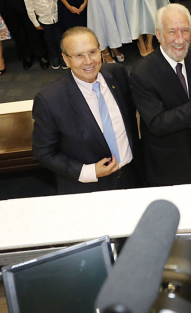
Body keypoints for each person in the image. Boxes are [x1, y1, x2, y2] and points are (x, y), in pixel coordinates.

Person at [32, 26, 139, 194]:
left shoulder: (118, 74)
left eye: (92, 52)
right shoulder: (50, 100)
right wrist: (88, 172)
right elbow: (43, 154)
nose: (88, 61)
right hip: (88, 189)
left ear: (100, 51)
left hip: (132, 178)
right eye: (79, 55)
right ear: (66, 60)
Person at [131, 4, 191, 186]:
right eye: (172, 32)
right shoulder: (142, 73)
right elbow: (157, 123)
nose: (180, 40)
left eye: (185, 31)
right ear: (158, 35)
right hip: (165, 166)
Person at [23, 0, 62, 70]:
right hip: (45, 21)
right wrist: (36, 23)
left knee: (60, 38)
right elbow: (30, 10)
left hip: (56, 17)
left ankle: (63, 56)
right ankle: (54, 57)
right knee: (50, 40)